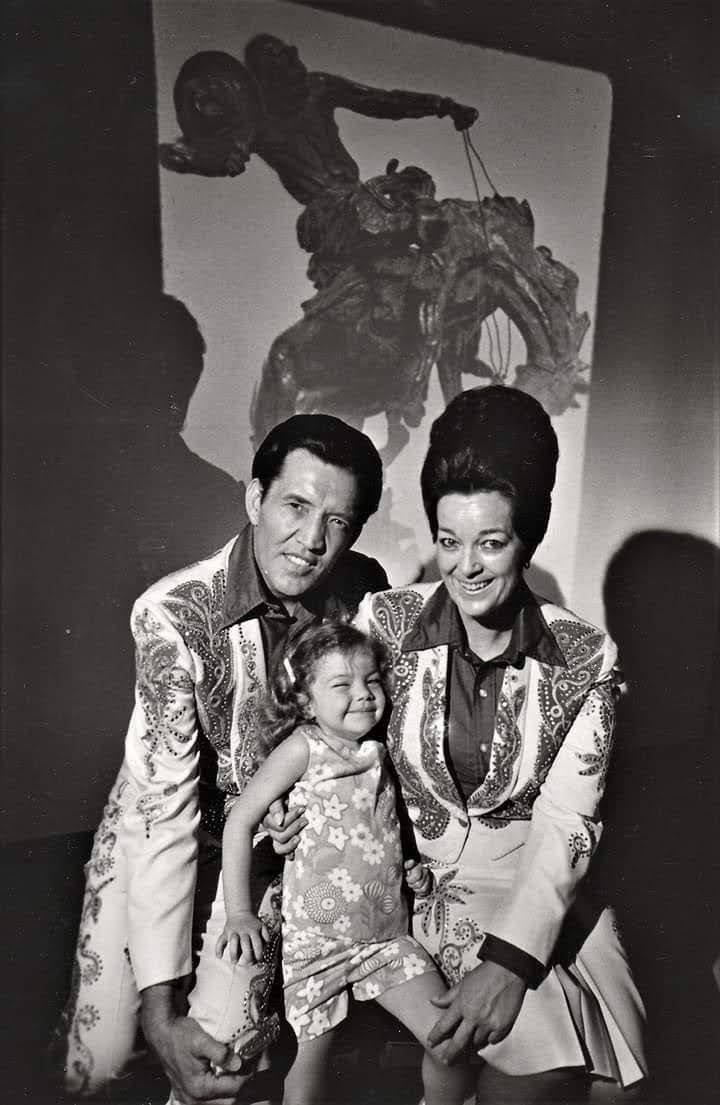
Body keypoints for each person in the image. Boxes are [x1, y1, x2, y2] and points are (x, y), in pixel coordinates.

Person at [272, 385, 648, 1100]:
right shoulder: (385, 621)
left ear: (529, 537)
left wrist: (509, 962)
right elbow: (325, 728)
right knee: (542, 1067)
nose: (465, 565)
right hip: (433, 886)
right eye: (448, 540)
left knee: (622, 1079)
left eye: (491, 541)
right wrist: (288, 808)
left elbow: (569, 823)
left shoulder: (587, 657)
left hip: (549, 884)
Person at [56, 414, 389, 1104]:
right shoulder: (173, 614)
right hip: (158, 836)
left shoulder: (360, 598)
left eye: (339, 521)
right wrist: (160, 1004)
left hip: (261, 858)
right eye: (296, 506)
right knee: (103, 1058)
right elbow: (162, 814)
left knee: (222, 1061)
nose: (312, 541)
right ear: (254, 497)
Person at [216, 622, 474, 1105]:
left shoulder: (379, 751)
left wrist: (411, 870)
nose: (363, 694)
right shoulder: (303, 748)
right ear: (306, 702)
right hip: (317, 948)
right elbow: (240, 821)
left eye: (372, 680)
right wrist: (239, 912)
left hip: (387, 939)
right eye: (341, 685)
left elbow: (381, 829)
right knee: (304, 1088)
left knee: (451, 1044)